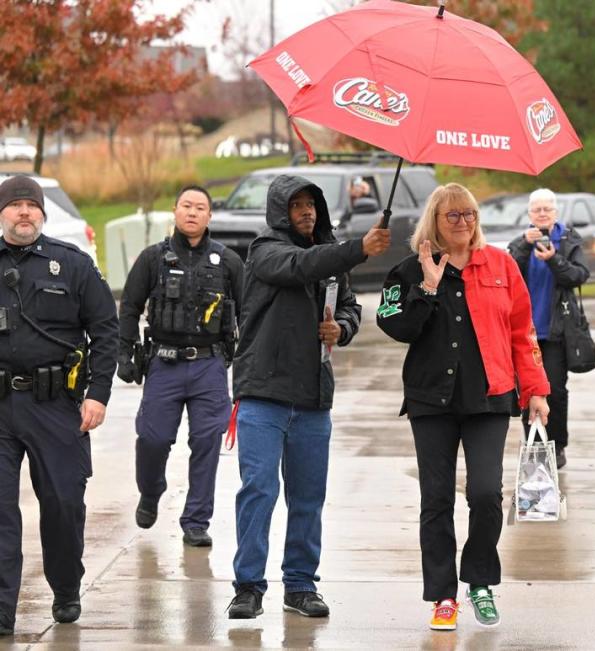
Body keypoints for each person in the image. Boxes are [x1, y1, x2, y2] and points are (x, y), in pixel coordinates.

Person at [377, 183, 550, 631]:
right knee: (435, 499)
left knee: (486, 494)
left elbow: (522, 331)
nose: (463, 222)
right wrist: (428, 289)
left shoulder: (500, 264)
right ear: (434, 220)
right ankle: (442, 595)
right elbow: (395, 326)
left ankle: (479, 582)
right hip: (429, 401)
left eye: (469, 214)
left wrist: (536, 389)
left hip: (489, 397)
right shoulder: (407, 271)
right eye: (452, 215)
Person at [226, 174, 390, 620]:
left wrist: (344, 328)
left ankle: (300, 585)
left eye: (312, 205)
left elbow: (351, 306)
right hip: (263, 393)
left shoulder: (329, 257)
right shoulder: (264, 249)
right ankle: (248, 587)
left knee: (308, 496)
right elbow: (300, 266)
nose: (306, 212)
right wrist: (359, 247)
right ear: (280, 210)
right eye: (297, 205)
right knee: (258, 491)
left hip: (314, 397)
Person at [0, 175, 118, 634]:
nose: (24, 212)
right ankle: (2, 612)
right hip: (1, 404)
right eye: (15, 205)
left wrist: (98, 393)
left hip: (55, 405)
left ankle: (66, 589)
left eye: (32, 205)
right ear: (2, 213)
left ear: (43, 214)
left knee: (64, 504)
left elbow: (106, 330)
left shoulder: (71, 264)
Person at [117, 185, 244, 547]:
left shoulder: (229, 261)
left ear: (209, 216)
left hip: (209, 365)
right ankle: (152, 490)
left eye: (200, 207)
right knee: (153, 438)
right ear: (174, 211)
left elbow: (249, 313)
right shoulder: (152, 259)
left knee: (206, 440)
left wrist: (248, 364)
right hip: (164, 362)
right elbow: (128, 307)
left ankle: (196, 521)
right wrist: (124, 353)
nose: (192, 212)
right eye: (186, 206)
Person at [507, 188, 589, 469]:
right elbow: (508, 275)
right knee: (527, 391)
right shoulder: (520, 242)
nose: (542, 214)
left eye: (547, 209)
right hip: (524, 332)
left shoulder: (568, 239)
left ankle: (557, 444)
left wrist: (554, 259)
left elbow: (579, 276)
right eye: (537, 209)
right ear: (529, 214)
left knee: (555, 389)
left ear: (555, 213)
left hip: (556, 331)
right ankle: (534, 446)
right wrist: (524, 245)